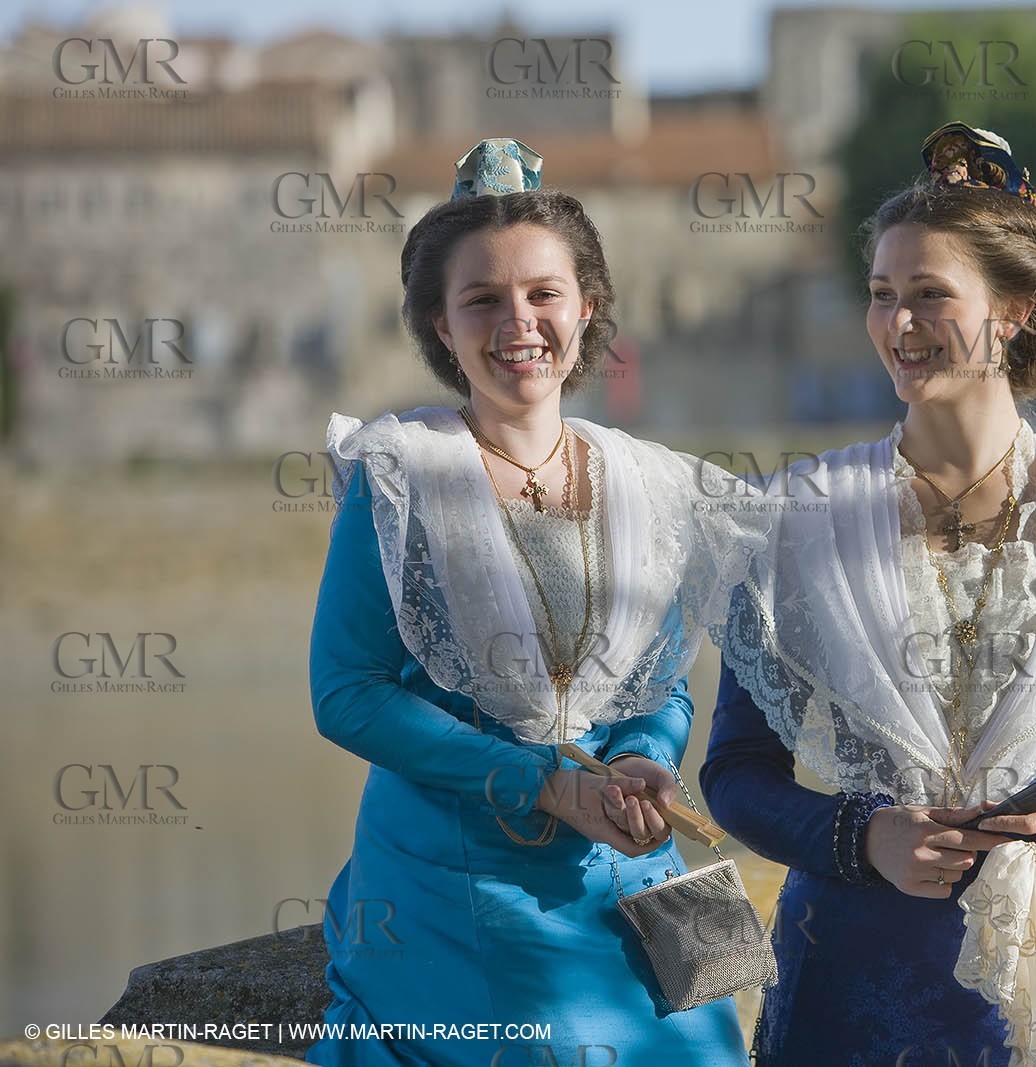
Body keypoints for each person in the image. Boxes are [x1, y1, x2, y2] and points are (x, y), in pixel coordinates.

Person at [703, 122, 1036, 1067]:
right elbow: (736, 770)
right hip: (859, 978)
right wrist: (860, 833)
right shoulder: (792, 521)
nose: (898, 324)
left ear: (1015, 311)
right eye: (881, 295)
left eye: (929, 295)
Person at [305, 138, 757, 1067]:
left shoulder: (647, 484)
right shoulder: (397, 477)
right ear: (440, 324)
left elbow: (657, 686)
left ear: (587, 309)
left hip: (623, 857)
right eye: (482, 298)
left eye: (544, 293)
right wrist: (541, 782)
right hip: (455, 871)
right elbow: (346, 690)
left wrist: (643, 758)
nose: (519, 320)